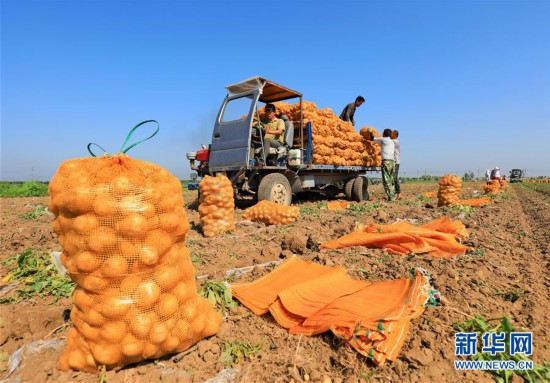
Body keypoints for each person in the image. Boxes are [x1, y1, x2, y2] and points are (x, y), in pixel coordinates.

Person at [370, 128, 396, 201]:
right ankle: (393, 195)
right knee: (391, 179)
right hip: (392, 162)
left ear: (384, 134)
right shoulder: (391, 141)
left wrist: (370, 132)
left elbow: (373, 139)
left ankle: (391, 197)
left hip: (386, 162)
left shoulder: (383, 140)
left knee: (387, 180)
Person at [391, 130, 401, 199]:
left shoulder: (395, 141)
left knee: (394, 177)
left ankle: (399, 193)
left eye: (391, 134)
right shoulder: (392, 141)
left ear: (395, 135)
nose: (390, 135)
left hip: (396, 162)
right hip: (392, 162)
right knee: (392, 178)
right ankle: (394, 193)